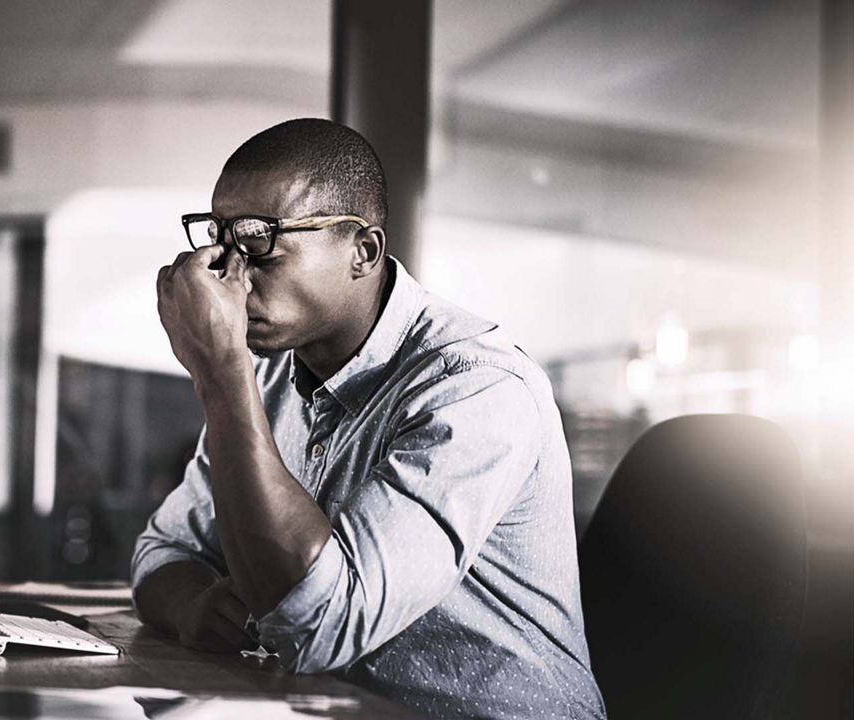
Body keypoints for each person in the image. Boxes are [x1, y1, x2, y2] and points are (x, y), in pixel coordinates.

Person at [133, 118, 605, 719]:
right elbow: (162, 551)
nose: (228, 273)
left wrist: (221, 371)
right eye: (220, 238)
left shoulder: (477, 389)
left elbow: (320, 622)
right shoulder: (276, 376)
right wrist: (192, 607)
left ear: (363, 252)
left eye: (260, 240)